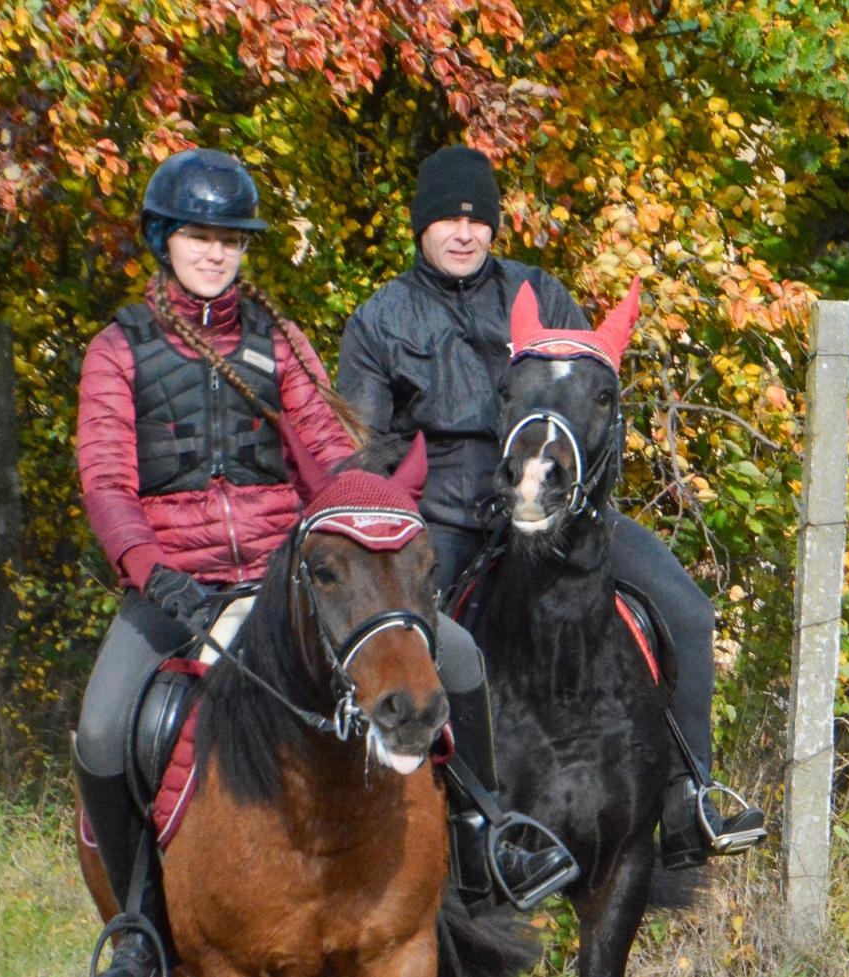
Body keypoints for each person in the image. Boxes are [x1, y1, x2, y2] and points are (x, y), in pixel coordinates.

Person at [73, 148, 573, 977]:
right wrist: (152, 571)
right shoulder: (117, 349)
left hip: (285, 574)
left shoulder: (281, 341)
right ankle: (138, 925)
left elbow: (330, 458)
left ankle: (484, 845)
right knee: (103, 727)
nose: (214, 252)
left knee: (453, 652)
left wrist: (366, 514)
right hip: (170, 581)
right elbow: (105, 481)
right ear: (165, 240)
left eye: (229, 239)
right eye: (198, 236)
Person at [336, 145, 767, 871]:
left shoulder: (539, 293)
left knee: (687, 611)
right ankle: (471, 822)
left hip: (562, 515)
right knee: (425, 649)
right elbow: (366, 446)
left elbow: (593, 408)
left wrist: (580, 502)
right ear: (421, 226)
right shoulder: (381, 319)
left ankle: (689, 797)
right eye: (447, 219)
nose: (464, 233)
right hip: (449, 517)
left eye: (477, 220)